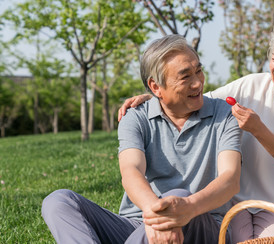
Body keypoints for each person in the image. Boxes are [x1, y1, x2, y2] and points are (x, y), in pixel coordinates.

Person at [117, 18, 274, 243]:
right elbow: (199, 99)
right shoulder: (252, 85)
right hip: (236, 200)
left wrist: (258, 129)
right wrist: (155, 97)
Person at [41, 34, 243, 244]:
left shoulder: (225, 115)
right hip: (138, 224)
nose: (197, 83)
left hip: (201, 223)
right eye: (185, 77)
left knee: (177, 195)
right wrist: (155, 213)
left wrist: (187, 207)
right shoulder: (136, 116)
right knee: (58, 201)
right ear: (155, 87)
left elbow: (230, 179)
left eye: (199, 71)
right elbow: (131, 170)